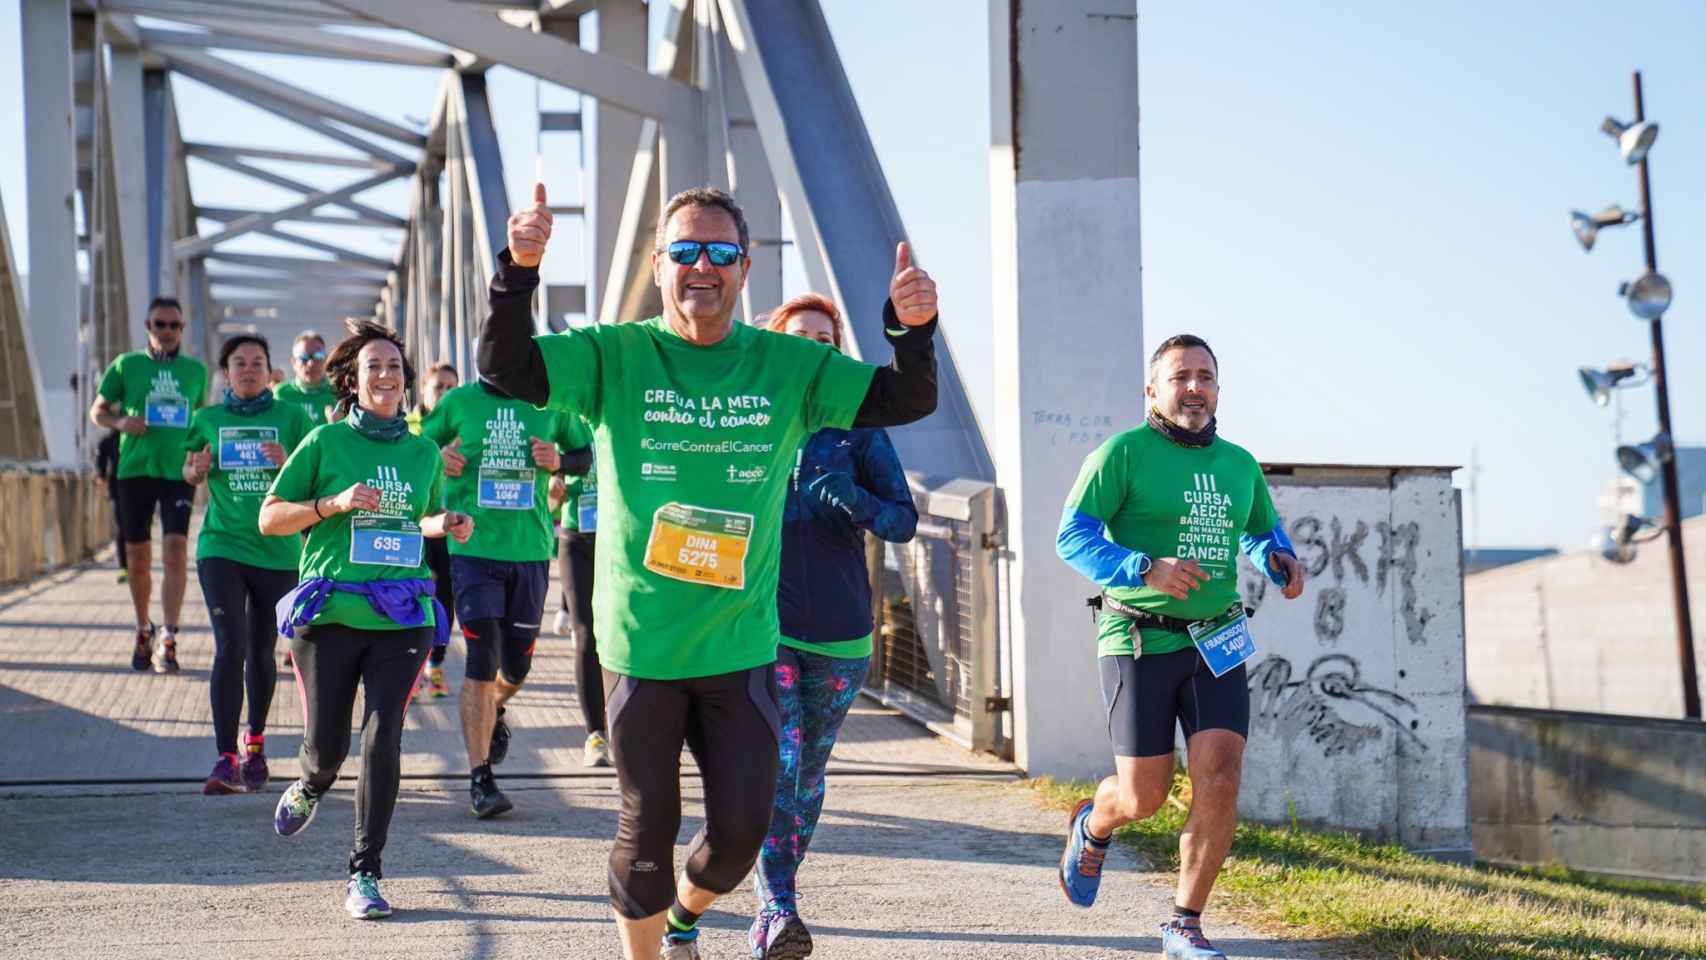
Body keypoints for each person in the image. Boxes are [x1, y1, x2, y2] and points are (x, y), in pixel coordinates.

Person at [479, 183, 940, 960]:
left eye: (721, 253)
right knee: (647, 828)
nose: (703, 266)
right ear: (658, 265)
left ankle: (689, 915)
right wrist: (517, 271)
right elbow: (505, 368)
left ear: (744, 267)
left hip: (740, 645)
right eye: (685, 251)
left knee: (739, 838)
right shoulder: (614, 355)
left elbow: (907, 396)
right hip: (643, 645)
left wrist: (912, 326)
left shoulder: (787, 365)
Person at [1053, 334, 1306, 960]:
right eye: (1180, 377)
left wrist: (1279, 559)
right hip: (1138, 636)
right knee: (1144, 796)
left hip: (1216, 636)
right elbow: (1072, 536)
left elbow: (1257, 529)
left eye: (1205, 377)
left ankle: (1184, 925)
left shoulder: (1238, 463)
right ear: (1153, 390)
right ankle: (1094, 822)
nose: (1194, 387)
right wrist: (1145, 567)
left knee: (1220, 776)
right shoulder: (1122, 454)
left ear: (1218, 388)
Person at [259, 319, 473, 920]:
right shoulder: (325, 445)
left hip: (402, 616)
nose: (386, 375)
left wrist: (449, 524)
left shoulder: (423, 451)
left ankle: (365, 871)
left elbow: (423, 519)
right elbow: (269, 518)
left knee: (384, 740)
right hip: (329, 615)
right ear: (353, 380)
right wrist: (332, 504)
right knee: (327, 748)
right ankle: (309, 782)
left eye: (394, 367)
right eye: (373, 366)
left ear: (406, 382)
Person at [749, 294, 919, 959]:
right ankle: (776, 906)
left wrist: (854, 500)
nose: (815, 349)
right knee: (781, 761)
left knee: (809, 775)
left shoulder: (860, 428)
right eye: (801, 339)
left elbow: (903, 519)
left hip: (843, 631)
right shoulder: (753, 421)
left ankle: (778, 889)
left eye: (826, 339)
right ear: (777, 345)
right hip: (764, 626)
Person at [421, 376, 588, 818]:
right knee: (481, 656)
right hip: (471, 548)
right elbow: (413, 453)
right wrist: (438, 459)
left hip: (530, 551)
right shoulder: (457, 402)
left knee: (516, 666)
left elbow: (586, 456)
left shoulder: (550, 401)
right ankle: (481, 780)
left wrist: (560, 460)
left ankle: (491, 709)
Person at [181, 334, 314, 794]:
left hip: (278, 550)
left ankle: (255, 742)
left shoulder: (292, 417)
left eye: (258, 362)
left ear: (269, 370)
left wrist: (288, 462)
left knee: (261, 651)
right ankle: (225, 758)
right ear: (226, 372)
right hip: (222, 544)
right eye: (240, 363)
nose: (249, 369)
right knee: (229, 647)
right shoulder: (207, 418)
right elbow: (189, 469)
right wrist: (196, 469)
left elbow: (313, 478)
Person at [88, 296, 209, 672]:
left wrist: (200, 458)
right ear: (148, 327)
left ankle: (169, 636)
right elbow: (98, 412)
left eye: (175, 325)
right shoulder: (126, 365)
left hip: (177, 473)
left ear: (182, 330)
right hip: (135, 471)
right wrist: (122, 423)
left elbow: (201, 420)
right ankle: (144, 627)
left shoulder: (195, 370)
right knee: (138, 557)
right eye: (161, 324)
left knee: (175, 551)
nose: (168, 332)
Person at [551, 413, 606, 766]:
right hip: (577, 536)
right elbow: (548, 497)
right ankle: (595, 735)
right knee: (586, 633)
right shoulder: (564, 420)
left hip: (621, 540)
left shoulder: (627, 408)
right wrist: (551, 493)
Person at [411, 360, 461, 699]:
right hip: (415, 524)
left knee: (447, 595)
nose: (444, 393)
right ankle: (413, 669)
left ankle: (437, 665)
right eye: (438, 387)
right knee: (416, 592)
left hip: (450, 521)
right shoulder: (410, 427)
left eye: (451, 387)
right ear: (423, 392)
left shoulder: (467, 427)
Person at [274, 330, 336, 427]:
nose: (311, 363)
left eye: (318, 356)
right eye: (304, 357)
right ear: (293, 362)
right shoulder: (281, 394)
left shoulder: (338, 393)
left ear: (326, 360)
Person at [94, 428, 125, 583]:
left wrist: (101, 477)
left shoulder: (109, 440)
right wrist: (101, 476)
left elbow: (100, 467)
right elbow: (101, 462)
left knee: (127, 528)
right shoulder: (109, 441)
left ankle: (130, 565)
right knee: (122, 527)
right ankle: (124, 567)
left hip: (133, 487)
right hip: (117, 488)